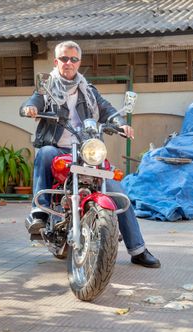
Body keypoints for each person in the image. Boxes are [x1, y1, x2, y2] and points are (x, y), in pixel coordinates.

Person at [19, 40, 160, 268]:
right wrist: (30, 108)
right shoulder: (46, 88)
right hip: (58, 148)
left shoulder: (89, 91)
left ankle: (138, 249)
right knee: (44, 153)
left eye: (74, 59)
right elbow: (32, 101)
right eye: (64, 58)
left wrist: (120, 123)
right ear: (56, 61)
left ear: (79, 62)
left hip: (87, 151)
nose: (69, 63)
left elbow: (108, 111)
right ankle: (39, 214)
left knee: (118, 192)